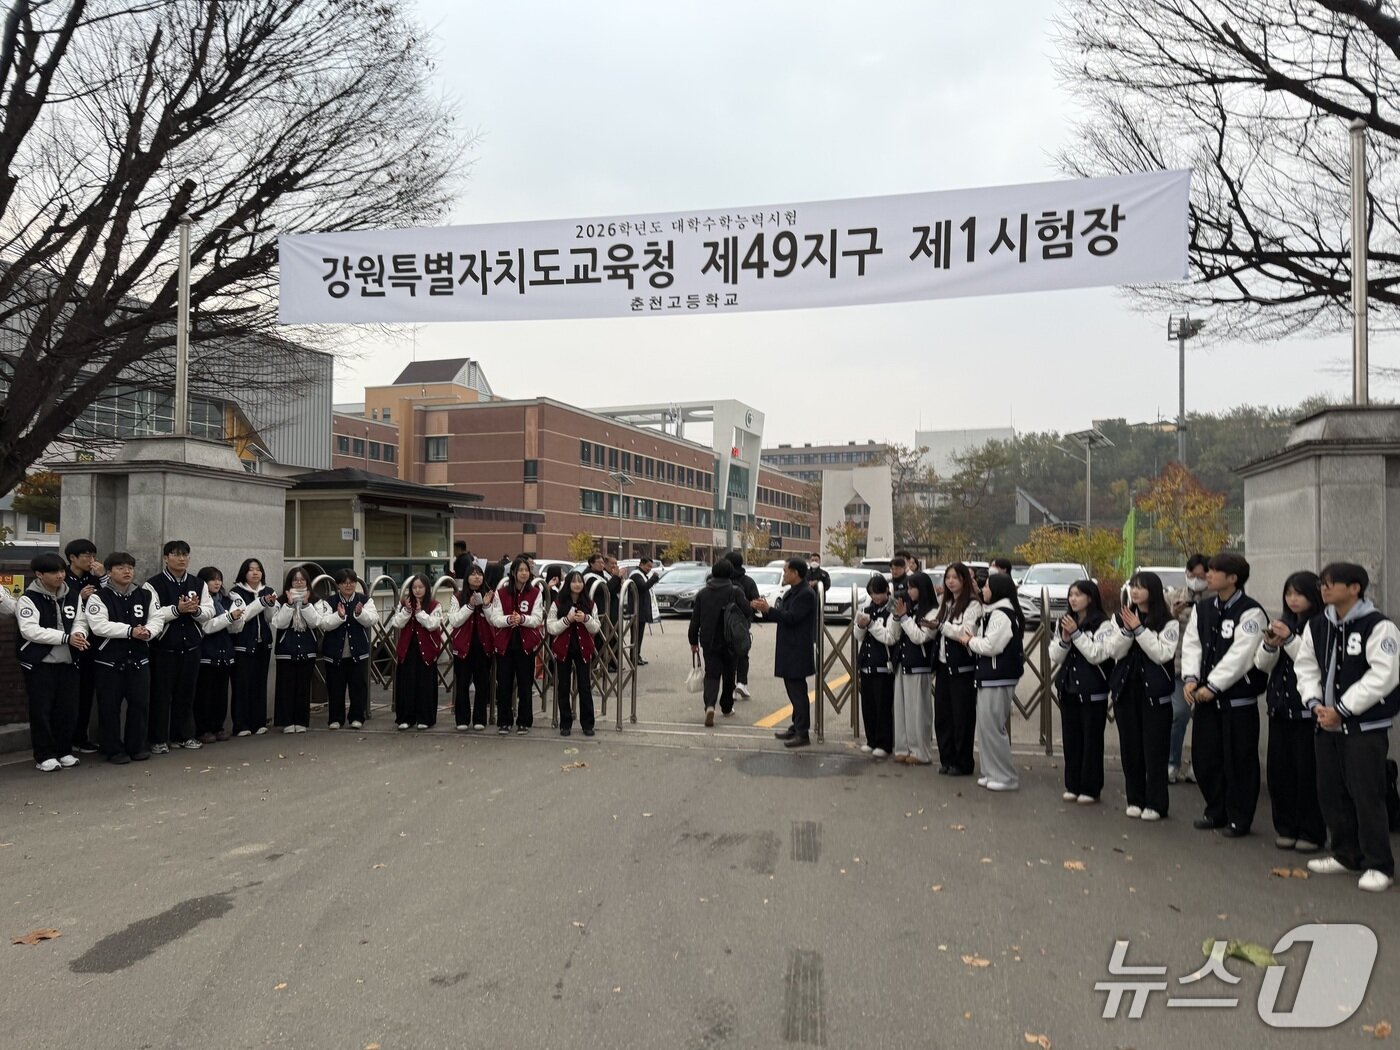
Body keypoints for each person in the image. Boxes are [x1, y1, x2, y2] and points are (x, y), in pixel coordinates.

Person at [1296, 563, 1398, 893]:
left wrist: (1342, 709)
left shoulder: (1379, 627)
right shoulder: (1317, 625)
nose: (1324, 589)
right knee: (1331, 790)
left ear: (1354, 588)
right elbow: (1307, 666)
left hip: (1364, 725)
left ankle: (1379, 863)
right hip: (1325, 722)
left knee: (1366, 794)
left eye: (1331, 584)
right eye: (1321, 584)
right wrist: (1314, 703)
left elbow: (1383, 675)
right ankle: (1345, 853)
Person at [1181, 553, 1268, 838]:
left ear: (1233, 578)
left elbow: (1241, 655)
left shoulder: (1251, 611)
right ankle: (1215, 810)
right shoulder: (1203, 608)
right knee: (1206, 758)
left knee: (1239, 760)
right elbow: (1192, 644)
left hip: (1237, 701)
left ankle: (1239, 818)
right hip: (1205, 699)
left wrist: (1214, 685)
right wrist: (1191, 678)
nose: (1208, 574)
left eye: (1216, 571)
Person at [1255, 571, 1326, 852]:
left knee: (1307, 772)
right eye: (1289, 593)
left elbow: (1314, 663)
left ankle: (1311, 831)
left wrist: (1290, 639)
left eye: (1299, 593)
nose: (1293, 599)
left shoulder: (1320, 625)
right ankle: (1285, 826)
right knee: (1280, 771)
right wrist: (1270, 645)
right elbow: (1262, 664)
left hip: (1308, 710)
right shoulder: (1283, 622)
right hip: (1280, 707)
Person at [1106, 571, 1179, 821]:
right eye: (1133, 587)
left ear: (1153, 591)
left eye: (1141, 587)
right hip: (1127, 690)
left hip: (1155, 694)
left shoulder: (1168, 622)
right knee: (1131, 748)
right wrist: (1127, 630)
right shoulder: (1121, 618)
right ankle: (1134, 799)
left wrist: (1139, 630)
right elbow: (1113, 650)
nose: (1135, 592)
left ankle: (1156, 803)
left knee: (1155, 750)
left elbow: (1161, 654)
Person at [82, 551, 159, 763]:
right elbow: (98, 626)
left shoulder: (144, 595)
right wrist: (130, 631)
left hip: (139, 660)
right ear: (109, 572)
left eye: (130, 568)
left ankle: (136, 747)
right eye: (121, 568)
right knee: (109, 707)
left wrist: (148, 632)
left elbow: (157, 618)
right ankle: (112, 749)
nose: (127, 571)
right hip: (109, 662)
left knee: (139, 706)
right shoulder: (99, 596)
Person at [17, 552, 90, 771]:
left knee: (67, 710)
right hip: (40, 663)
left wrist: (79, 634)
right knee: (41, 710)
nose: (59, 576)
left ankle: (64, 750)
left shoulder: (72, 595)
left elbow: (80, 620)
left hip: (68, 661)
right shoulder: (28, 599)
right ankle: (44, 755)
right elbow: (30, 630)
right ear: (39, 574)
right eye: (53, 572)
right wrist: (65, 638)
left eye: (61, 571)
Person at [1049, 580, 1115, 804]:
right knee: (1071, 739)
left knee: (1091, 740)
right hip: (1069, 688)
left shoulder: (1103, 624)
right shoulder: (1064, 622)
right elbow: (1055, 656)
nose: (1073, 599)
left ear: (1090, 597)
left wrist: (1077, 634)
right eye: (1071, 595)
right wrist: (1065, 639)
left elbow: (1096, 654)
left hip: (1093, 690)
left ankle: (1090, 787)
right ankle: (1072, 784)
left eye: (1078, 595)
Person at [146, 540, 214, 753]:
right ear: (165, 558)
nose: (181, 558)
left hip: (192, 648)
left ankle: (183, 736)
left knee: (186, 694)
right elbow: (153, 614)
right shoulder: (152, 584)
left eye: (185, 554)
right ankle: (158, 739)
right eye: (175, 554)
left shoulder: (198, 583)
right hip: (164, 649)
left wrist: (195, 611)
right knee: (160, 696)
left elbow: (209, 611)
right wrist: (177, 609)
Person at [960, 572, 1024, 792]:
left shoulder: (1002, 615)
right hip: (989, 676)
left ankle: (1005, 776)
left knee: (994, 727)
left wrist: (970, 641)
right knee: (986, 727)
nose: (982, 590)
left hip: (999, 676)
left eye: (986, 586)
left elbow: (991, 646)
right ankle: (990, 771)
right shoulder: (993, 613)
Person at [753, 557, 817, 748]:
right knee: (793, 690)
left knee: (798, 692)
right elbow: (783, 614)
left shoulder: (805, 594)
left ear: (795, 573)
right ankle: (796, 726)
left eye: (786, 570)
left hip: (797, 649)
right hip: (790, 647)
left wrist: (769, 610)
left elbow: (791, 617)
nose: (784, 574)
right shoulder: (794, 591)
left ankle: (802, 732)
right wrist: (765, 610)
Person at [932, 562, 982, 776]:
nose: (950, 581)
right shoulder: (946, 603)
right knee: (943, 716)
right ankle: (947, 758)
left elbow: (966, 632)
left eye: (955, 577)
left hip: (962, 669)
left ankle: (963, 762)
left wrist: (942, 627)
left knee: (962, 717)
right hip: (944, 666)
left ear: (964, 580)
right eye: (948, 577)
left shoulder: (973, 605)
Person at [487, 556, 544, 734]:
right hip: (505, 644)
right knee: (504, 683)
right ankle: (504, 721)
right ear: (513, 572)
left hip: (525, 645)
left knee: (525, 684)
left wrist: (522, 619)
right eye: (520, 570)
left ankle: (524, 721)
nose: (524, 573)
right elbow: (495, 618)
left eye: (526, 570)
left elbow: (537, 618)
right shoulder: (501, 593)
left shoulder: (535, 592)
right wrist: (509, 619)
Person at [316, 569, 379, 730]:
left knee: (358, 686)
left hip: (358, 652)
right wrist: (339, 616)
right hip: (334, 653)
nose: (348, 585)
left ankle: (357, 717)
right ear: (338, 585)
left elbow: (372, 619)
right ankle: (335, 718)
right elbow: (324, 623)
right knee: (335, 687)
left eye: (351, 582)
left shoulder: (364, 600)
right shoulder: (329, 601)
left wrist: (360, 613)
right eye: (344, 582)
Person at [1166, 554, 1211, 782]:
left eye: (1201, 576)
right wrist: (1172, 614)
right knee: (1179, 714)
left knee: (1203, 721)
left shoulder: (1215, 599)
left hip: (1209, 672)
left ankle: (1199, 766)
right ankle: (1172, 763)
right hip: (1180, 667)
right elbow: (1160, 627)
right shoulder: (1174, 596)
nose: (1196, 580)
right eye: (1192, 575)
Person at [688, 558, 748, 726]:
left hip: (709, 640)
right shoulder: (735, 591)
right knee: (729, 674)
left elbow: (695, 620)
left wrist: (693, 641)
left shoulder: (703, 593)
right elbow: (747, 611)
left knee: (712, 675)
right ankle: (727, 707)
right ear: (731, 573)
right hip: (731, 640)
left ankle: (709, 706)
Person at [890, 574, 936, 765]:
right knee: (901, 709)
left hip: (920, 666)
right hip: (903, 663)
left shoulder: (933, 611)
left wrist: (905, 617)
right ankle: (903, 748)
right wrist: (897, 615)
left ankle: (920, 751)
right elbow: (894, 635)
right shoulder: (910, 608)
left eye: (912, 588)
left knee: (918, 711)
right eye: (908, 588)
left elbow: (920, 637)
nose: (909, 592)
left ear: (923, 588)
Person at [548, 570, 602, 736]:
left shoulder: (590, 604)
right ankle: (565, 723)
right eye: (574, 581)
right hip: (563, 649)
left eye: (580, 582)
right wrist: (567, 620)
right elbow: (551, 627)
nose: (577, 584)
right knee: (563, 686)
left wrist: (585, 619)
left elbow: (596, 627)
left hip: (583, 649)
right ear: (568, 583)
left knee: (585, 686)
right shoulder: (558, 603)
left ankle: (588, 724)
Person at [195, 566, 243, 742]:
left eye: (219, 579)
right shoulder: (200, 601)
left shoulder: (226, 600)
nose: (217, 582)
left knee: (221, 694)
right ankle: (203, 729)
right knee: (204, 694)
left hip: (225, 652)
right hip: (207, 653)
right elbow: (206, 627)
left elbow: (234, 629)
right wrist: (229, 618)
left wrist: (237, 619)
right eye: (212, 579)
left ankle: (219, 727)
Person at [63, 538, 103, 755]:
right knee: (67, 694)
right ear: (72, 558)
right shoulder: (62, 577)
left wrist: (103, 576)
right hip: (67, 642)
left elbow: (112, 596)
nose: (91, 560)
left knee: (87, 692)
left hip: (91, 642)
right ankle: (63, 740)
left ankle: (81, 737)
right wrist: (79, 596)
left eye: (93, 555)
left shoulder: (94, 577)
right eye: (86, 555)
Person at [446, 564, 496, 731]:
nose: (477, 577)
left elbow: (493, 621)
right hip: (463, 647)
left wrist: (487, 606)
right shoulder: (458, 597)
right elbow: (454, 620)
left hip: (483, 646)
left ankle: (480, 718)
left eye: (479, 574)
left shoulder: (490, 595)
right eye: (473, 574)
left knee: (482, 683)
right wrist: (469, 606)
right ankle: (462, 719)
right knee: (462, 683)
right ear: (467, 577)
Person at [230, 558, 277, 736]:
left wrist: (270, 604)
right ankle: (241, 725)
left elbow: (272, 618)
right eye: (251, 570)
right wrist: (261, 602)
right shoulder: (236, 592)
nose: (255, 573)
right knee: (242, 685)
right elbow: (243, 616)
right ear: (244, 573)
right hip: (243, 645)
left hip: (263, 644)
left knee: (260, 683)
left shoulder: (268, 591)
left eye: (258, 569)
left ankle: (259, 722)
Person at [271, 565, 322, 733]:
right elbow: (279, 623)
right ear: (289, 582)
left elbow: (315, 622)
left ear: (307, 582)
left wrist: (306, 604)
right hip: (286, 649)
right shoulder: (281, 600)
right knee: (285, 687)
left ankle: (301, 721)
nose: (299, 582)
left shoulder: (315, 599)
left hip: (307, 649)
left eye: (302, 579)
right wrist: (290, 605)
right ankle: (286, 722)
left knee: (303, 687)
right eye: (295, 579)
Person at [389, 574, 443, 730]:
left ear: (426, 588)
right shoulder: (405, 604)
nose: (418, 590)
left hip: (426, 650)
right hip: (408, 649)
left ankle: (425, 718)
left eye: (421, 587)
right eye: (414, 587)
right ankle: (406, 718)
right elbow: (396, 623)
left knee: (425, 684)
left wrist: (419, 613)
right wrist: (407, 611)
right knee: (407, 683)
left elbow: (433, 624)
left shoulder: (434, 605)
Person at [854, 574, 896, 758]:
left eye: (879, 593)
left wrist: (870, 624)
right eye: (872, 593)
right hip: (866, 664)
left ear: (887, 590)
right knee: (868, 705)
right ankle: (871, 740)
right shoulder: (867, 608)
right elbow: (858, 636)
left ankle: (884, 743)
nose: (876, 597)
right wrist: (861, 625)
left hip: (883, 666)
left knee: (882, 707)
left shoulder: (893, 609)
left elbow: (890, 637)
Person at [725, 551, 759, 699]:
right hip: (742, 624)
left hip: (724, 624)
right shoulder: (748, 582)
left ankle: (730, 688)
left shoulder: (722, 580)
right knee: (743, 652)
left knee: (727, 656)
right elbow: (755, 602)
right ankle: (741, 683)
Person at [628, 557, 657, 665]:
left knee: (639, 635)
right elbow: (643, 587)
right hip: (636, 610)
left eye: (651, 567)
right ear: (641, 564)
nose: (649, 569)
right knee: (636, 635)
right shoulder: (636, 575)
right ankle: (634, 656)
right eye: (648, 566)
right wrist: (653, 579)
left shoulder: (642, 575)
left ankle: (637, 655)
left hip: (641, 610)